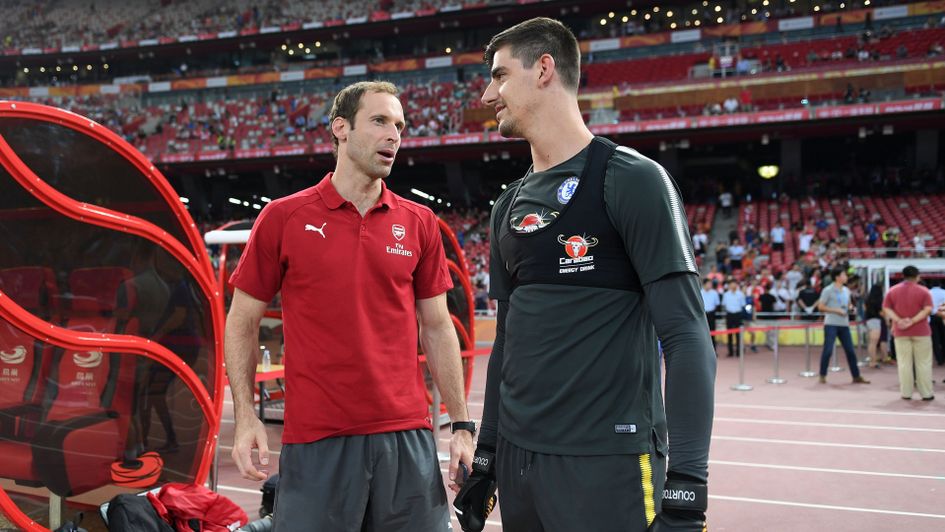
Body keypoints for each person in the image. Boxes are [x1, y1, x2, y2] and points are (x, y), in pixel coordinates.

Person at [455, 17, 716, 532]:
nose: (487, 95)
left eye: (499, 76)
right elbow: (506, 344)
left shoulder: (633, 180)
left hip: (607, 465)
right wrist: (487, 457)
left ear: (545, 69)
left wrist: (688, 488)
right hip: (519, 463)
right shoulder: (506, 205)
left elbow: (687, 339)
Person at [225, 81, 474, 531]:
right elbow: (242, 321)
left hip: (406, 436)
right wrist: (245, 418)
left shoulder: (419, 223)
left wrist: (461, 425)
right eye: (380, 121)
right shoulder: (284, 217)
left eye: (399, 125)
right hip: (319, 440)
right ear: (340, 128)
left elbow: (437, 327)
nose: (394, 135)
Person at [883, 266, 934, 400]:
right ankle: (926, 393)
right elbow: (927, 309)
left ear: (903, 276)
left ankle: (906, 393)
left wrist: (899, 320)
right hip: (921, 331)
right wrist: (912, 321)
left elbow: (886, 308)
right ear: (917, 276)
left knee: (904, 363)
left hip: (901, 332)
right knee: (923, 363)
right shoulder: (924, 291)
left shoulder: (892, 291)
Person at [817, 268, 870, 384]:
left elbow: (848, 304)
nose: (846, 277)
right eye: (844, 274)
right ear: (837, 277)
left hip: (844, 324)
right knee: (828, 350)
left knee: (850, 351)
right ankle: (822, 374)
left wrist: (851, 308)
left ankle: (856, 376)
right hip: (831, 323)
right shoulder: (828, 290)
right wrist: (835, 310)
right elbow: (820, 307)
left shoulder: (846, 290)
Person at [864, 281, 889, 368]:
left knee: (871, 342)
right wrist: (887, 319)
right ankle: (873, 362)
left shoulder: (868, 300)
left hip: (868, 320)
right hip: (876, 321)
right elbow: (882, 312)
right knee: (874, 342)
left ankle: (872, 360)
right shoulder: (879, 300)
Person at [722, 279, 746, 358]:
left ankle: (739, 351)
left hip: (738, 315)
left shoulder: (740, 294)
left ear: (736, 285)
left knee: (738, 334)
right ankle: (730, 352)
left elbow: (743, 305)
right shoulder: (726, 294)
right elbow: (724, 305)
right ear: (729, 286)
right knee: (729, 334)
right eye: (731, 284)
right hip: (729, 315)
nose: (733, 286)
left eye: (734, 284)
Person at [929, 280, 945, 365]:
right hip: (943, 315)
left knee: (935, 339)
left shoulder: (928, 292)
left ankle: (939, 359)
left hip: (932, 317)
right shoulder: (944, 292)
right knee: (943, 337)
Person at [702, 277, 721, 351]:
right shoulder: (700, 292)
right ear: (704, 284)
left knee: (713, 332)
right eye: (708, 284)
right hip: (703, 315)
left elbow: (717, 304)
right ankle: (704, 351)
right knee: (703, 333)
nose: (710, 285)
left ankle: (713, 350)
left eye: (710, 284)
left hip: (712, 314)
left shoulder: (714, 293)